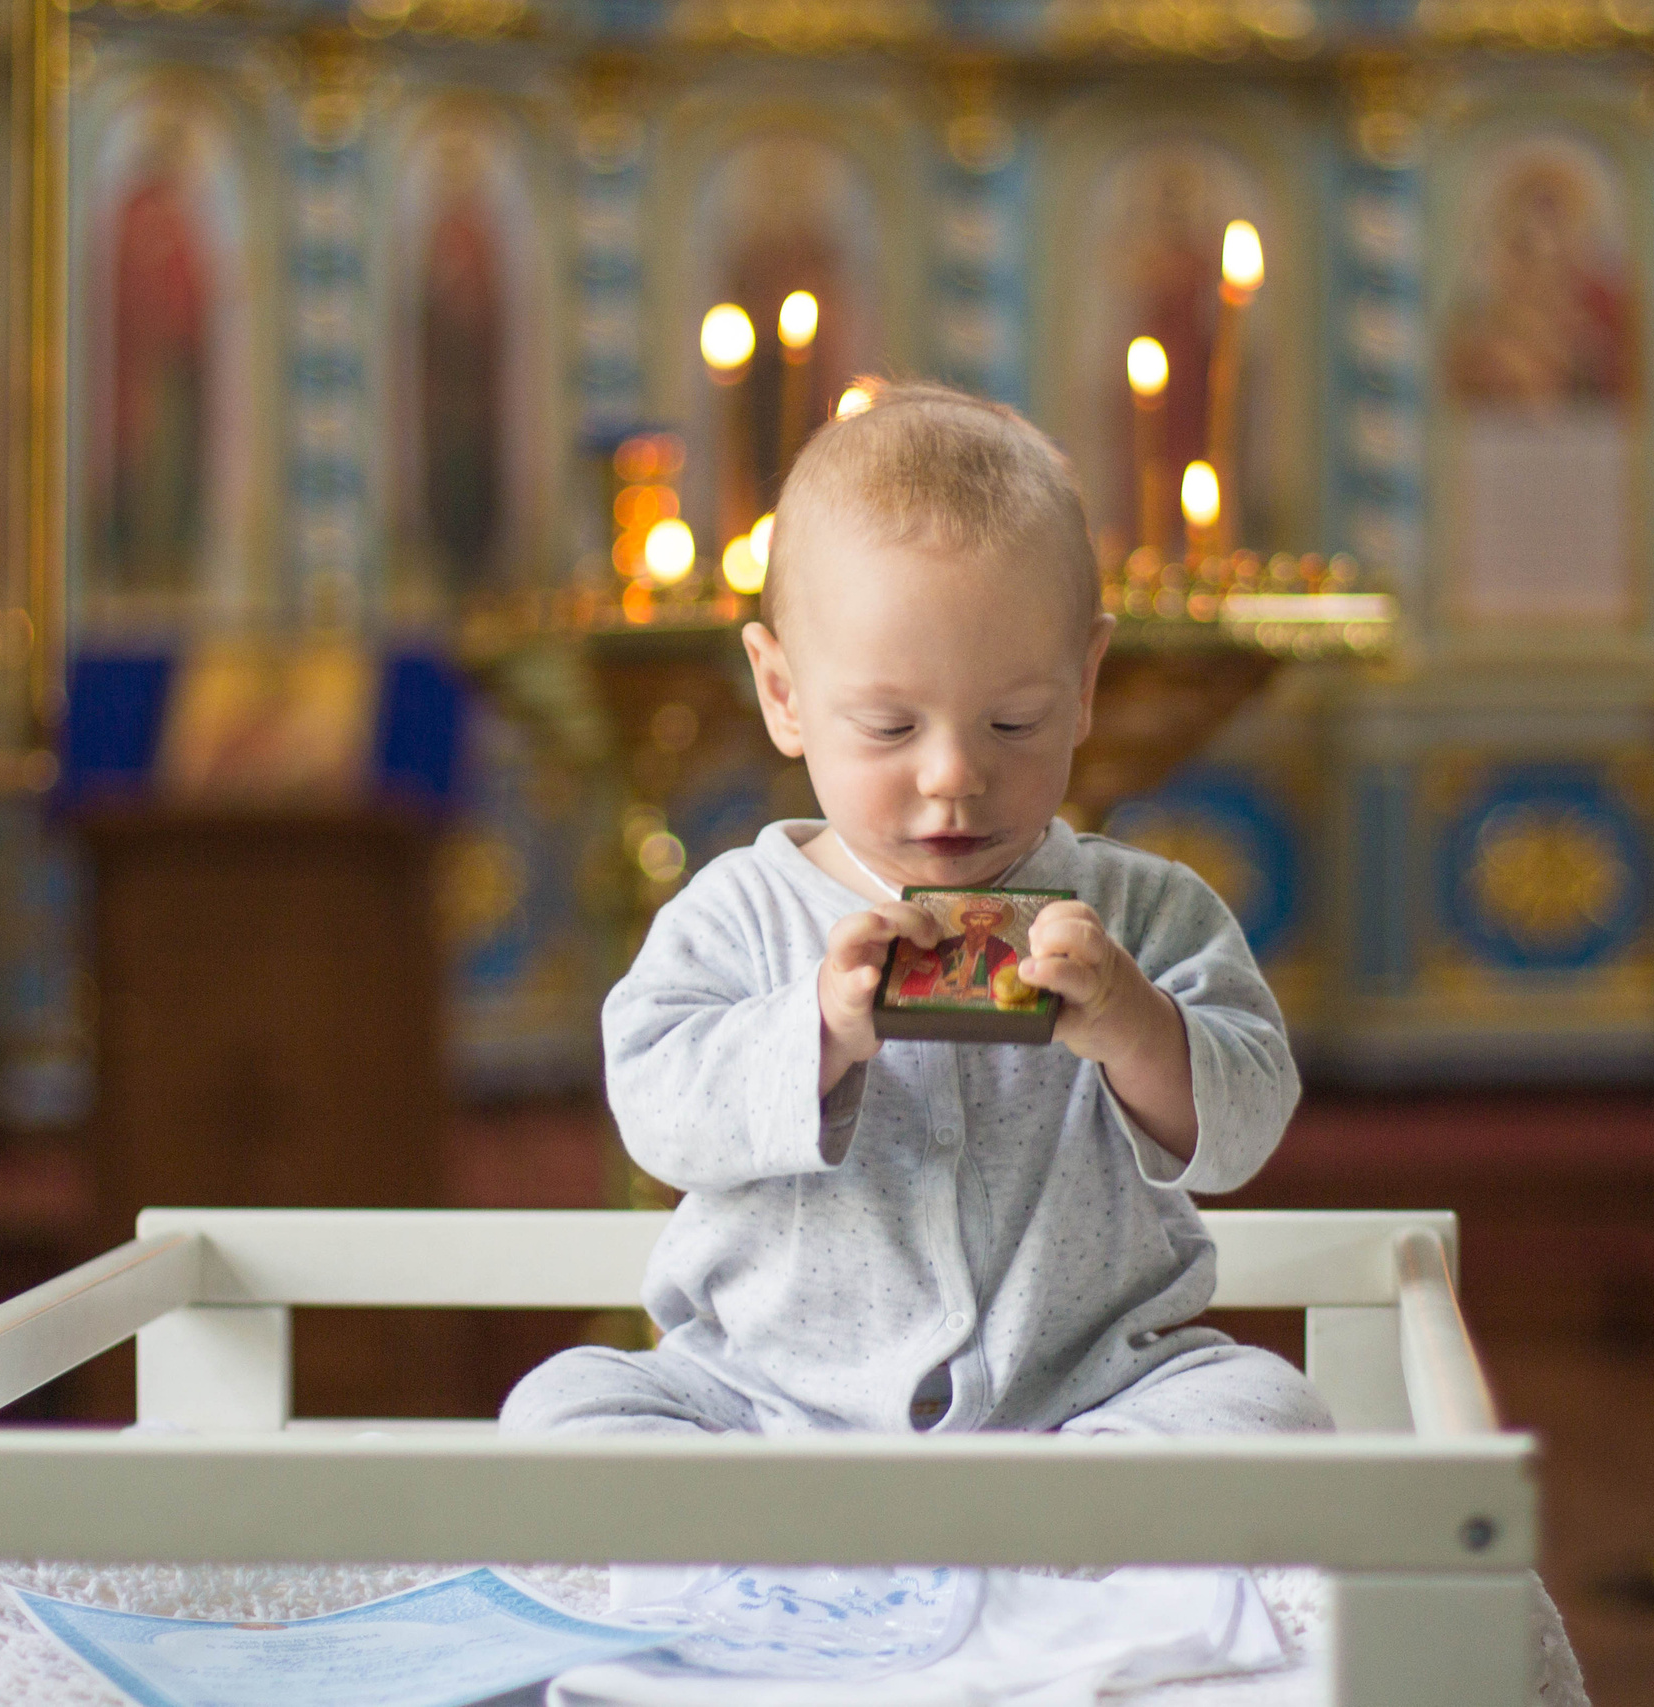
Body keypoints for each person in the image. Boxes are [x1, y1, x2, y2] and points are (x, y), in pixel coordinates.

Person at [500, 380, 1326, 1439]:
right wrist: (816, 1027)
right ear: (783, 693)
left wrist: (1132, 1023)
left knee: (1267, 1412)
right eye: (890, 728)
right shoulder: (738, 912)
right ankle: (786, 1538)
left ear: (1084, 683)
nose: (953, 776)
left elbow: (1247, 1124)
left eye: (1012, 723)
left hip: (1086, 1397)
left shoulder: (1145, 909)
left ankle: (1060, 1524)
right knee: (562, 1409)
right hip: (766, 1403)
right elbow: (658, 1115)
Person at [895, 894, 1021, 1003]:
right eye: (975, 918)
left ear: (994, 923)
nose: (980, 923)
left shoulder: (1004, 951)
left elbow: (1012, 988)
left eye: (986, 919)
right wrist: (946, 981)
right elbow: (910, 986)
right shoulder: (942, 947)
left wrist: (974, 992)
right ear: (966, 921)